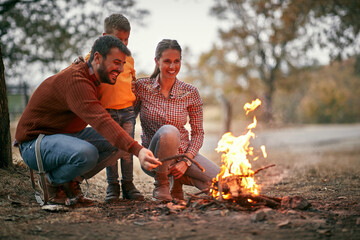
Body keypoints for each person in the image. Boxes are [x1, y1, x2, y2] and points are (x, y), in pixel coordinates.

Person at [15, 35, 161, 205]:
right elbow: (101, 121)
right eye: (116, 62)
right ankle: (51, 181)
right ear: (97, 58)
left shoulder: (96, 78)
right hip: (35, 143)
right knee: (87, 153)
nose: (121, 69)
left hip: (65, 136)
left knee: (120, 145)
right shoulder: (78, 81)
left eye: (123, 63)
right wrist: (139, 150)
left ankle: (70, 182)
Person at [134, 39, 220, 201]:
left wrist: (185, 161)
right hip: (155, 159)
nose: (172, 67)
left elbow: (198, 133)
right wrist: (137, 151)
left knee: (225, 184)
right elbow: (128, 120)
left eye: (176, 61)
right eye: (167, 61)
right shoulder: (142, 87)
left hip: (184, 156)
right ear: (156, 61)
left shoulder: (190, 92)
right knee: (170, 130)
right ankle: (162, 184)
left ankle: (178, 180)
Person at [84, 14, 143, 202]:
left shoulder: (128, 59)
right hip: (106, 112)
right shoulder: (94, 58)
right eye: (119, 40)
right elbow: (83, 72)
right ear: (104, 37)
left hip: (127, 111)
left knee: (126, 150)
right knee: (111, 150)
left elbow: (130, 79)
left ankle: (128, 184)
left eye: (126, 40)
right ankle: (113, 185)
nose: (123, 44)